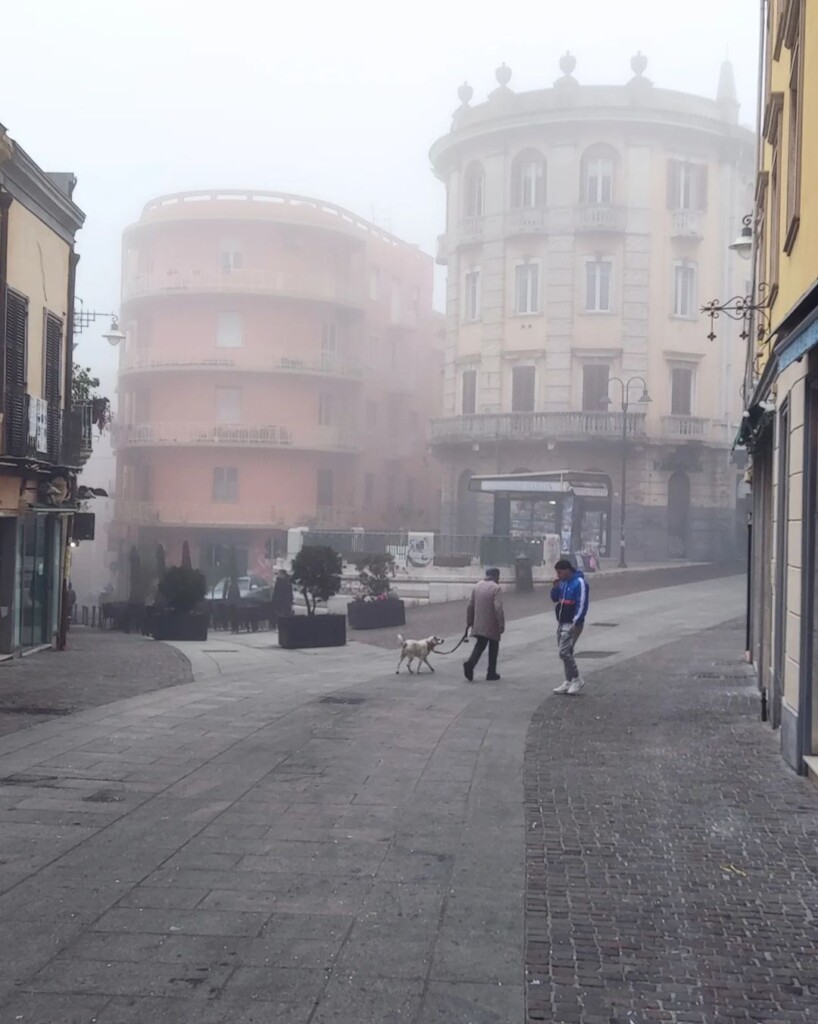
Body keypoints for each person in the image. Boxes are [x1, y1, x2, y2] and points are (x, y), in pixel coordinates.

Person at [550, 559, 590, 695]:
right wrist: (555, 587)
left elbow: (582, 603)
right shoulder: (562, 583)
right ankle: (569, 680)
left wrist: (576, 621)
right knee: (566, 653)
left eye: (560, 572)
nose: (558, 575)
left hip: (571, 623)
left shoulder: (579, 583)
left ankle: (576, 679)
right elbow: (555, 599)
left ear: (567, 570)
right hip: (562, 622)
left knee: (564, 652)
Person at [463, 567, 505, 682]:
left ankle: (470, 664)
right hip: (492, 623)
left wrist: (469, 622)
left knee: (480, 644)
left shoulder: (477, 586)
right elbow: (498, 608)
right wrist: (501, 624)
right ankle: (491, 672)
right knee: (493, 647)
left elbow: (470, 605)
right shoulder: (496, 588)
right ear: (496, 576)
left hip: (478, 622)